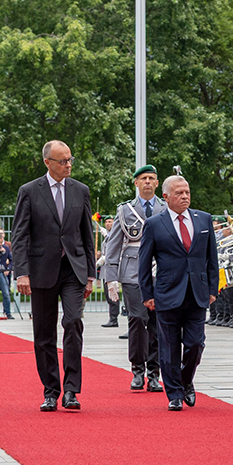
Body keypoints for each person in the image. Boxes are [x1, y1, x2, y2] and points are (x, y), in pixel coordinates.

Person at [12, 139, 96, 412]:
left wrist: (91, 275)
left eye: (70, 159)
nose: (68, 165)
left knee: (72, 322)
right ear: (47, 162)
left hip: (73, 269)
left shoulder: (80, 190)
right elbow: (20, 234)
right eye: (63, 161)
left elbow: (87, 234)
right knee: (44, 334)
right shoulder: (29, 191)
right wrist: (21, 272)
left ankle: (71, 390)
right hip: (41, 270)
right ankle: (51, 390)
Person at [139, 175, 219, 411]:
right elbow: (144, 263)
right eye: (179, 193)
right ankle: (174, 394)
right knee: (169, 347)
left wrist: (212, 288)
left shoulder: (203, 219)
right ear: (166, 197)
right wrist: (147, 294)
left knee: (195, 343)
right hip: (166, 293)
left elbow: (211, 258)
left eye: (187, 192)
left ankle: (185, 381)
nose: (184, 196)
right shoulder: (154, 224)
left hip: (197, 292)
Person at [102, 165, 166, 393]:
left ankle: (154, 374)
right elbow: (113, 245)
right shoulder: (125, 210)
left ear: (157, 183)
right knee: (138, 321)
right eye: (143, 178)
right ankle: (137, 370)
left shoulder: (165, 208)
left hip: (160, 273)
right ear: (136, 183)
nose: (147, 182)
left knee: (157, 323)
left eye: (151, 178)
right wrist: (111, 278)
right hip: (132, 273)